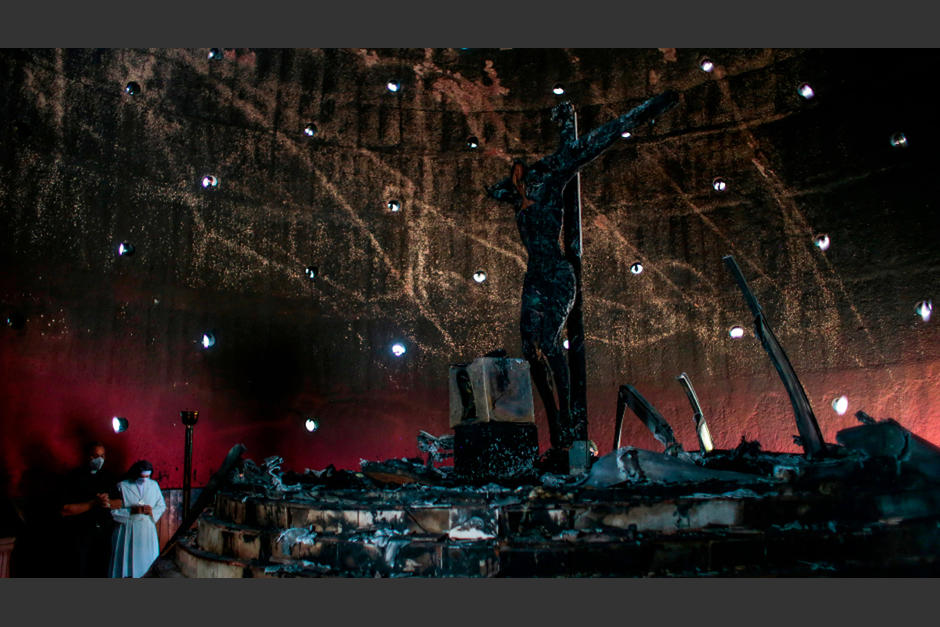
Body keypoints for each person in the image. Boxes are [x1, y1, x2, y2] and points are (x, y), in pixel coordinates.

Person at [486, 91, 678, 467]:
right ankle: (556, 427)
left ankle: (572, 423)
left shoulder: (550, 173)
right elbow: (491, 190)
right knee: (529, 350)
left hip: (557, 273)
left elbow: (596, 142)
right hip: (535, 276)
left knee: (550, 343)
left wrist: (642, 113)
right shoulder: (513, 190)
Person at [59, 441, 119, 577]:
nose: (99, 460)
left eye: (102, 456)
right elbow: (65, 510)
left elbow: (120, 502)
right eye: (95, 456)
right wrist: (93, 504)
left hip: (104, 535)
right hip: (80, 534)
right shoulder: (74, 477)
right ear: (88, 456)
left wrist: (107, 503)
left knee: (102, 571)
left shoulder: (108, 477)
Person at [109, 460, 166, 578]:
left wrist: (152, 512)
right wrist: (131, 511)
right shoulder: (122, 486)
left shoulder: (154, 485)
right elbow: (113, 511)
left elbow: (161, 505)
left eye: (147, 476)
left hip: (146, 529)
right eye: (142, 477)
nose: (145, 479)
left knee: (146, 561)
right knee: (126, 561)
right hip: (127, 528)